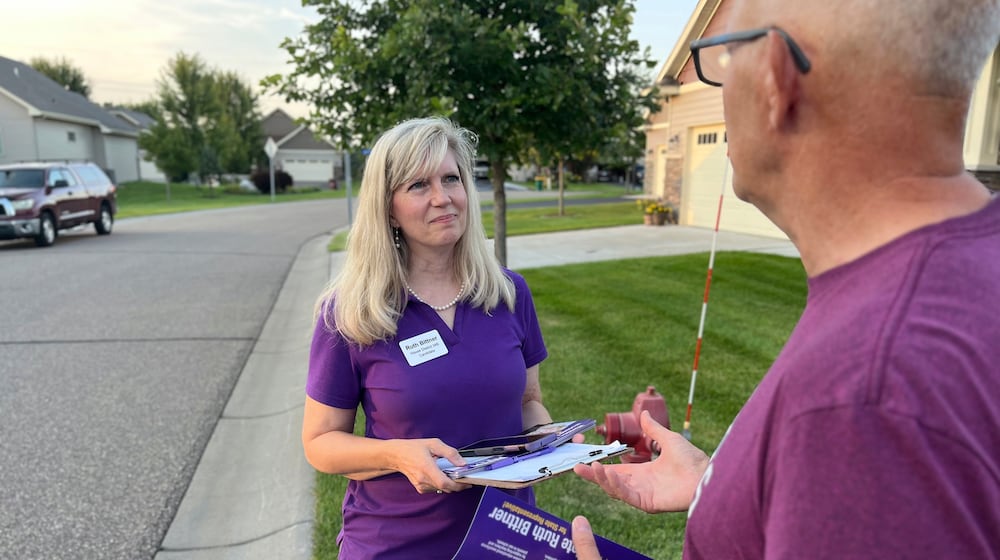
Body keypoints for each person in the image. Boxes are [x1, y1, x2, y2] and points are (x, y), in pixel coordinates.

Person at [572, 0, 1000, 558]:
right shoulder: (964, 277)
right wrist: (721, 485)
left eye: (724, 55)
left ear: (775, 76)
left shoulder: (861, 397)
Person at [303, 116, 556, 559]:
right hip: (396, 543)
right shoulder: (350, 311)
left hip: (505, 537)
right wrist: (398, 456)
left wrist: (550, 441)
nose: (443, 198)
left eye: (451, 179)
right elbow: (321, 443)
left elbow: (528, 400)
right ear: (388, 208)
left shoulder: (509, 292)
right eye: (418, 185)